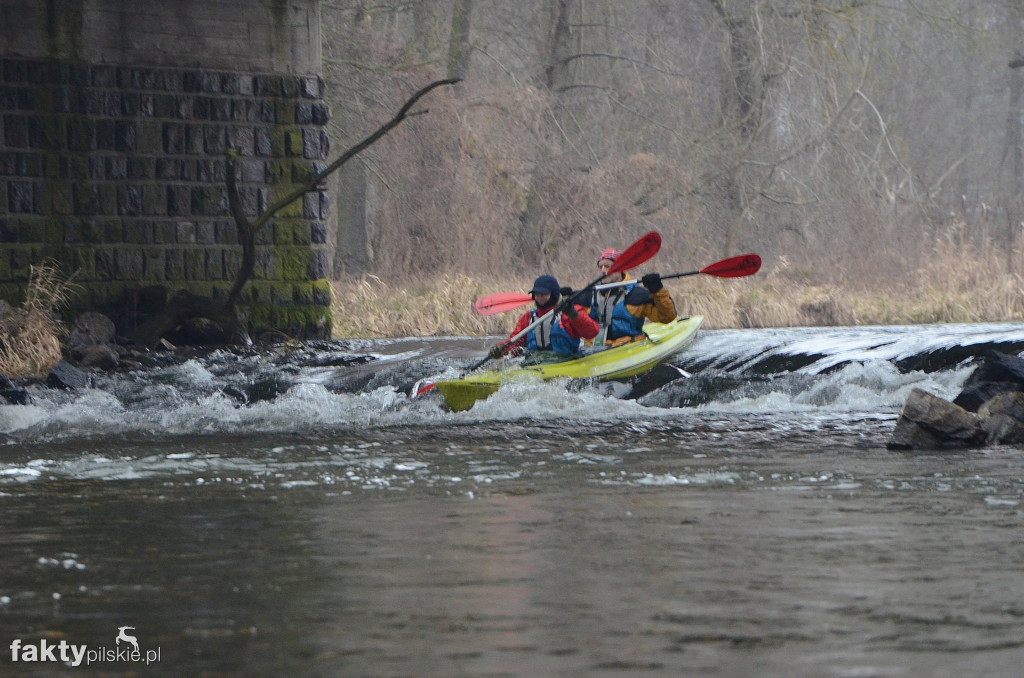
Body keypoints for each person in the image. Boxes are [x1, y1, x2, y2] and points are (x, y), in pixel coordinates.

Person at [489, 274, 598, 362]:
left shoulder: (569, 312)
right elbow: (515, 345)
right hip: (534, 364)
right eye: (537, 294)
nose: (540, 298)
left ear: (554, 294)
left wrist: (573, 315)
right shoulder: (528, 318)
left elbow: (592, 332)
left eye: (544, 294)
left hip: (565, 362)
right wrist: (501, 350)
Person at [585, 247, 677, 347]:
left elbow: (667, 317)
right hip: (595, 349)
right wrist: (566, 303)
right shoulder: (590, 295)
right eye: (600, 267)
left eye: (607, 266)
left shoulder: (637, 295)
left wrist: (658, 290)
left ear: (620, 268)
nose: (603, 270)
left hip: (628, 348)